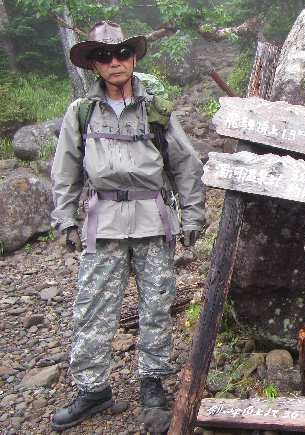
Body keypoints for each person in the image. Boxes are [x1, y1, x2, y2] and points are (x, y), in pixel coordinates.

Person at [50, 21, 205, 430]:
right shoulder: (81, 112)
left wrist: (193, 214)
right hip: (102, 224)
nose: (114, 62)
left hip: (153, 221)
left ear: (133, 58)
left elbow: (185, 165)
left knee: (156, 305)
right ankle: (92, 390)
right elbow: (65, 170)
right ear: (94, 64)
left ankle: (153, 382)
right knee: (92, 308)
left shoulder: (156, 109)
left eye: (121, 53)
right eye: (104, 56)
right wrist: (65, 218)